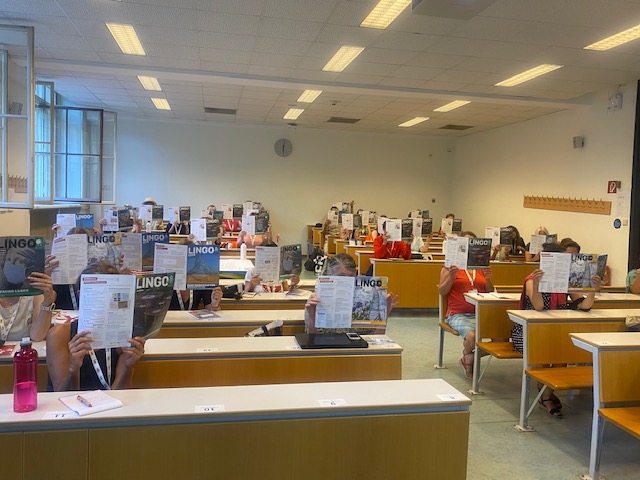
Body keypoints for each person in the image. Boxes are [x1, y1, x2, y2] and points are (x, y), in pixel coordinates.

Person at [512, 242, 599, 418]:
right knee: (544, 355)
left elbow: (584, 305)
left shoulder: (565, 281)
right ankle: (546, 394)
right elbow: (538, 306)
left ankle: (545, 394)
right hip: (530, 331)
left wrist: (592, 290)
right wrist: (537, 285)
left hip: (555, 329)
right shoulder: (531, 280)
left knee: (563, 353)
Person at [46, 261, 146, 391]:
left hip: (111, 402)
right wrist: (73, 368)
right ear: (81, 295)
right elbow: (61, 395)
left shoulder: (123, 334)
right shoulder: (59, 335)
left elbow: (120, 393)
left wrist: (128, 368)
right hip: (72, 402)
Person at [438, 231, 493, 379]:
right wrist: (451, 276)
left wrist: (488, 279)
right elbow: (442, 291)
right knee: (472, 337)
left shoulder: (481, 267)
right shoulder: (449, 267)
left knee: (501, 339)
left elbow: (490, 292)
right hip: (458, 314)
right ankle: (469, 354)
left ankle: (470, 356)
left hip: (481, 313)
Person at [304, 253, 398, 334]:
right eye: (341, 276)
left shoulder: (366, 298)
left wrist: (385, 313)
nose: (346, 282)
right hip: (328, 347)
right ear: (330, 275)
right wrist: (312, 317)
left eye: (351, 277)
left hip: (360, 348)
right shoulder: (316, 300)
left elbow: (377, 338)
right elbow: (312, 340)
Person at [0, 253, 57, 342]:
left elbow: (37, 336)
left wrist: (47, 301)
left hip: (23, 351)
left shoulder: (34, 295)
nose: (14, 266)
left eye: (21, 262)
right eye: (9, 260)